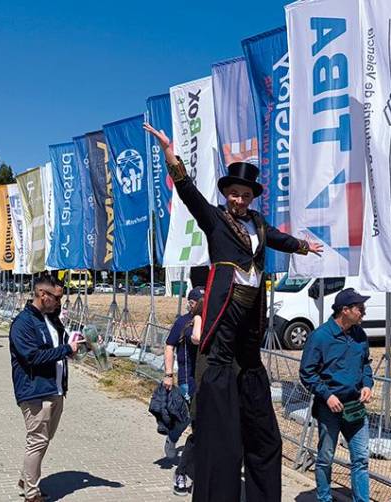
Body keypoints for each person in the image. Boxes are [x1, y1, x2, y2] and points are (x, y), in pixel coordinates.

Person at [145, 123, 323, 502]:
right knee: (222, 357)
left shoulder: (257, 223)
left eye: (245, 195)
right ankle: (221, 378)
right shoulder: (216, 221)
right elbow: (188, 192)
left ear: (251, 198)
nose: (240, 200)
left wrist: (303, 248)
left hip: (252, 308)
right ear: (226, 195)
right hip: (225, 304)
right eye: (234, 194)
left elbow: (277, 237)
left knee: (249, 355)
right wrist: (169, 154)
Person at [300, 288, 374, 502]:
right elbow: (307, 372)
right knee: (325, 458)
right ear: (345, 310)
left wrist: (367, 384)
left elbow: (366, 365)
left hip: (355, 408)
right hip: (329, 408)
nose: (364, 312)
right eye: (360, 308)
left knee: (361, 458)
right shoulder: (320, 337)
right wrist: (327, 395)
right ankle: (324, 498)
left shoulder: (360, 335)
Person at [9, 276, 78, 502]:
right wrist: (65, 349)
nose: (59, 302)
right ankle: (32, 494)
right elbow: (31, 357)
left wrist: (75, 343)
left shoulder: (52, 319)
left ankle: (26, 478)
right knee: (37, 440)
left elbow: (62, 344)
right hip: (35, 390)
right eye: (56, 297)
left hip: (56, 388)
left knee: (44, 440)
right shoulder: (23, 323)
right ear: (42, 294)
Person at [163, 286, 205, 496]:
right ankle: (173, 439)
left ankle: (195, 471)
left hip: (209, 382)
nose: (202, 305)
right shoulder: (184, 322)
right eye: (198, 301)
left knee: (201, 428)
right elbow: (169, 345)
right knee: (187, 422)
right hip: (189, 380)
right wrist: (168, 373)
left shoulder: (211, 320)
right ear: (191, 303)